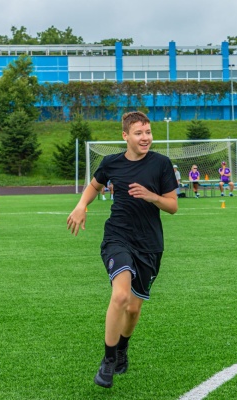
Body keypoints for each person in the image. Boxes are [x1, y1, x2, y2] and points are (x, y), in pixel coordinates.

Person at [66, 111, 178, 389]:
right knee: (120, 296)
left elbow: (172, 206)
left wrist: (152, 196)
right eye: (139, 133)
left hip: (150, 245)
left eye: (148, 132)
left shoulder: (161, 164)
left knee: (134, 309)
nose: (145, 138)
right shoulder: (111, 163)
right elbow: (94, 186)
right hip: (117, 237)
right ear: (125, 136)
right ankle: (108, 360)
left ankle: (123, 349)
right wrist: (81, 206)